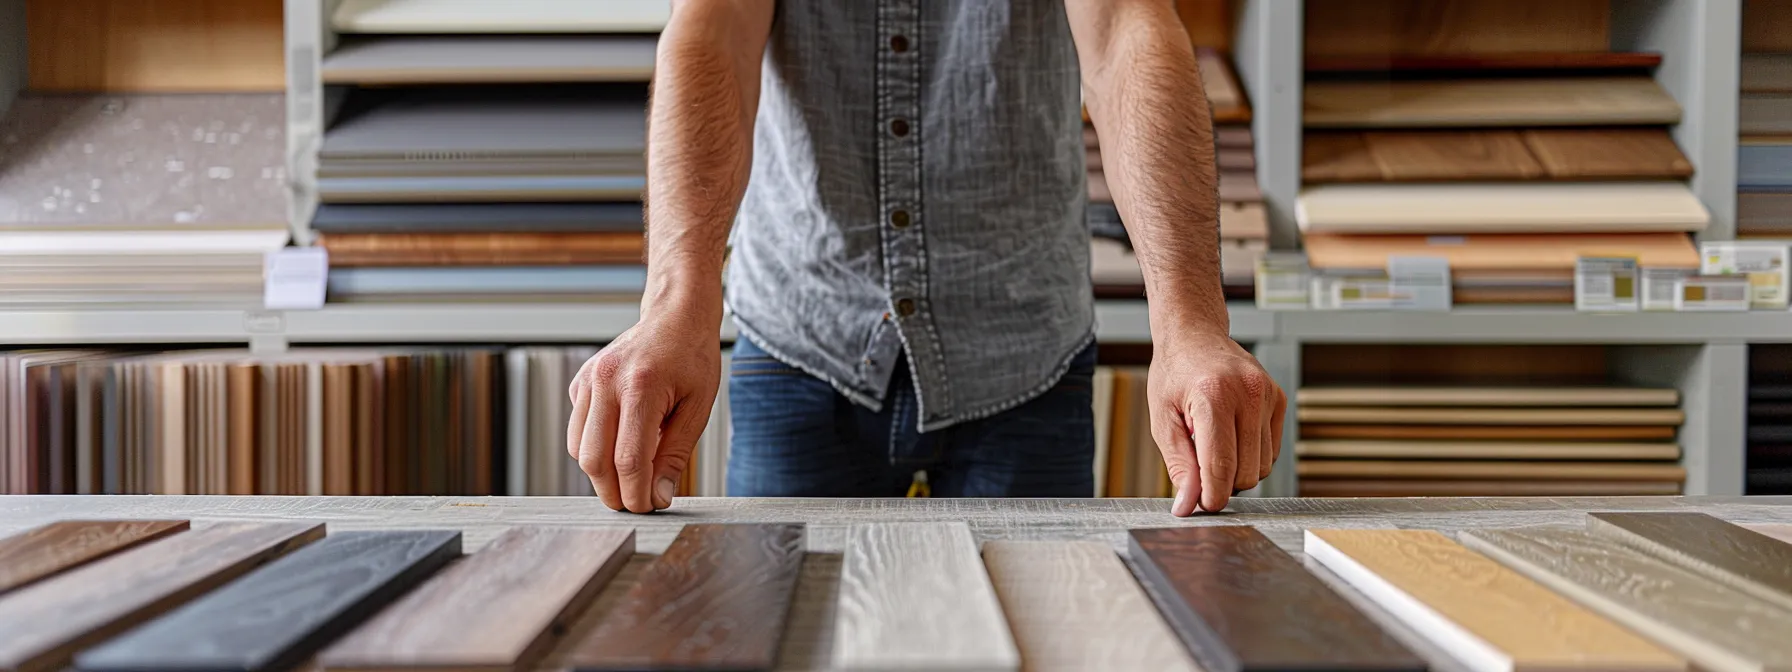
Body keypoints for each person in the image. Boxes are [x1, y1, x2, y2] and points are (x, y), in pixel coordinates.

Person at [566, 0, 1286, 517]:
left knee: (1042, 634)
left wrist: (1190, 322)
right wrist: (675, 309)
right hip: (803, 333)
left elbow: (1127, 33)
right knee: (780, 630)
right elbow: (712, 34)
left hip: (1024, 341)